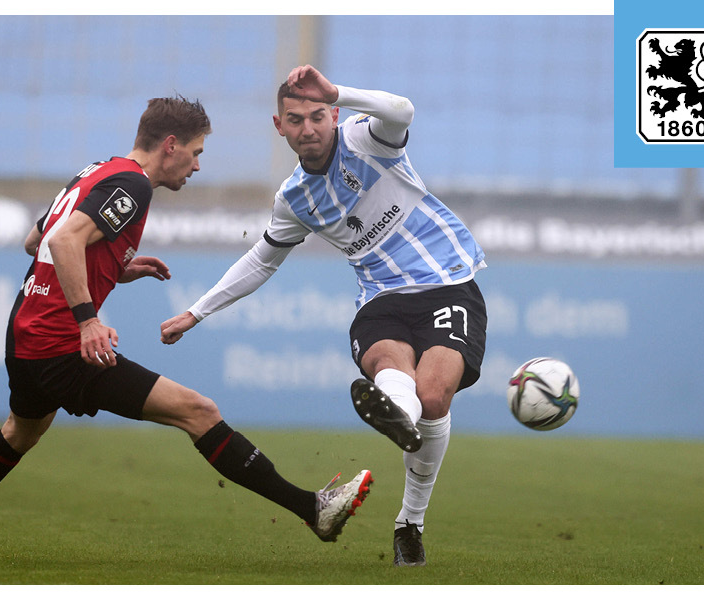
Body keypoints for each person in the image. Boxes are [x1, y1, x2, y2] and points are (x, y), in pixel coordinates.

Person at [0, 94, 373, 560]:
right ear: (170, 145)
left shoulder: (98, 170)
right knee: (199, 411)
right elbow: (65, 240)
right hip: (61, 344)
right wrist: (88, 321)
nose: (195, 166)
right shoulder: (134, 186)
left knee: (18, 433)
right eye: (196, 153)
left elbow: (38, 239)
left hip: (25, 333)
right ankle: (314, 510)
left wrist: (113, 265)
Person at [160, 67, 487, 567]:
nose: (308, 128)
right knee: (387, 363)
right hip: (380, 297)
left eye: (318, 115)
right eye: (296, 120)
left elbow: (403, 110)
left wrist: (342, 92)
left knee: (434, 394)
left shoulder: (367, 139)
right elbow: (261, 260)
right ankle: (397, 410)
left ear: (333, 115)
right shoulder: (293, 199)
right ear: (279, 126)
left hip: (446, 281)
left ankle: (410, 522)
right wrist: (196, 311)